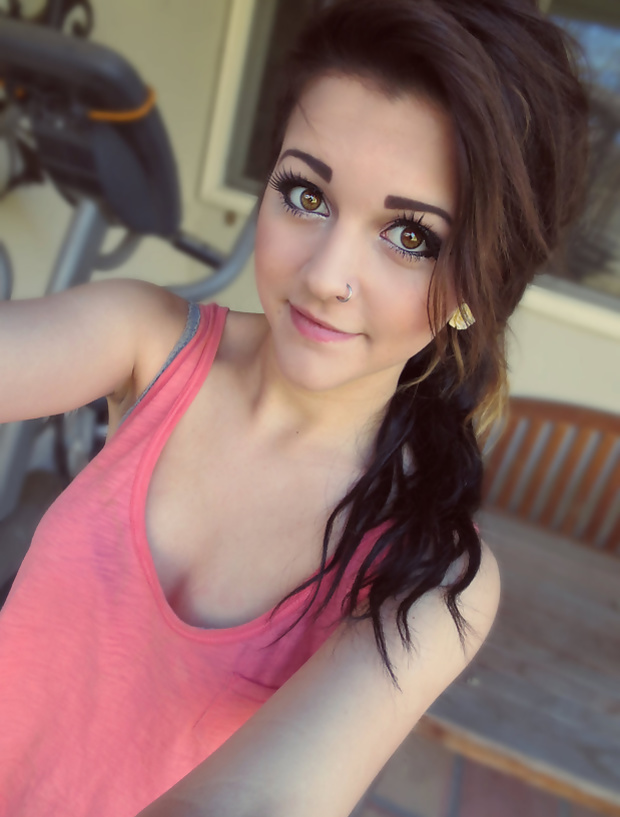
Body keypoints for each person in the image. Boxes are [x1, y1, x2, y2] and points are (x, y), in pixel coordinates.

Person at [0, 0, 589, 815]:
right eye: (307, 194)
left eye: (411, 238)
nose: (323, 275)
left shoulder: (433, 577)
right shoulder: (144, 338)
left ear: (477, 290)